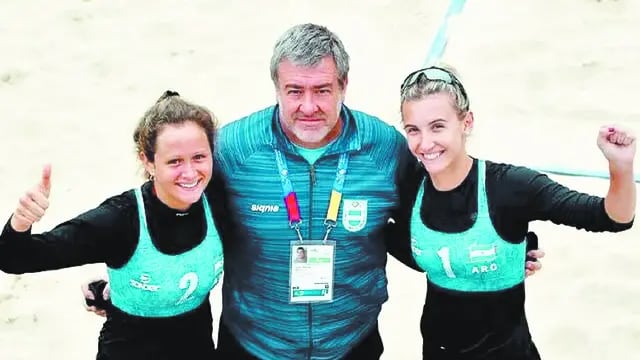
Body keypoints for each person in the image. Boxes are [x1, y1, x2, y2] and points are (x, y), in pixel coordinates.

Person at [83, 24, 545, 360]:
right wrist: (129, 279)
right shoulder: (231, 149)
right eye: (294, 91)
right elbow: (173, 207)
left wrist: (498, 246)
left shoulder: (387, 148)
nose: (308, 106)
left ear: (344, 85)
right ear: (276, 88)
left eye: (323, 90)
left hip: (352, 342)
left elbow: (435, 210)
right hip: (253, 346)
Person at [392, 65, 635, 359]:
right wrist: (503, 257)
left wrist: (620, 167)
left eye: (438, 126)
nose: (425, 143)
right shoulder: (410, 190)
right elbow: (410, 250)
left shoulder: (510, 188)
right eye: (413, 130)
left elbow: (611, 218)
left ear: (466, 122)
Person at [0, 91, 227, 360]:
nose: (190, 173)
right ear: (148, 161)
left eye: (199, 157)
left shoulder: (220, 202)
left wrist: (118, 286)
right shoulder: (120, 220)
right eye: (174, 161)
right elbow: (14, 258)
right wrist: (21, 222)